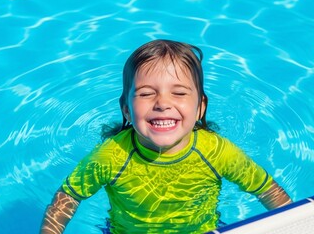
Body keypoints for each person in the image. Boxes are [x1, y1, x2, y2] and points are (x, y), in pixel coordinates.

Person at [40, 39, 292, 234]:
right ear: (126, 109)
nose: (163, 103)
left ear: (201, 107)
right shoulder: (111, 156)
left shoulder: (217, 152)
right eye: (146, 93)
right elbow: (69, 195)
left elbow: (267, 189)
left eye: (179, 93)